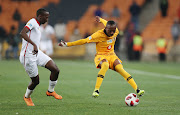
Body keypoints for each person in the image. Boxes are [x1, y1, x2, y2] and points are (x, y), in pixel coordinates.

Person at [59, 16, 145, 98]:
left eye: (113, 30)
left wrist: (101, 19)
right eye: (110, 31)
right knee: (105, 65)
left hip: (112, 55)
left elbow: (107, 23)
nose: (112, 33)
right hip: (101, 55)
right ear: (106, 28)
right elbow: (84, 41)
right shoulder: (98, 35)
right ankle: (96, 90)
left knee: (120, 69)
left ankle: (137, 90)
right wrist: (67, 44)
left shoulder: (115, 31)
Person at [19, 8, 62, 106]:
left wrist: (35, 47)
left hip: (36, 53)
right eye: (46, 17)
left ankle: (50, 91)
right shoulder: (32, 22)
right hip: (28, 57)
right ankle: (27, 97)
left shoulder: (38, 25)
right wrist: (34, 44)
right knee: (36, 81)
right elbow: (22, 33)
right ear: (40, 16)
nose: (47, 19)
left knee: (55, 69)